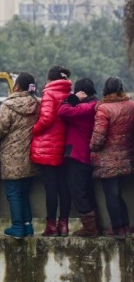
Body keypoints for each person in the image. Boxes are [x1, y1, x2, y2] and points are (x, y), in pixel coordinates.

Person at [0, 73, 40, 239]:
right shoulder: (38, 104)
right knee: (25, 193)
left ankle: (17, 226)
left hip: (12, 156)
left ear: (17, 87)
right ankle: (28, 226)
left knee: (13, 193)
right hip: (32, 154)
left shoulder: (8, 105)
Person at [90, 77, 134, 240]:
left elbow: (98, 138)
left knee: (111, 194)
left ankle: (117, 229)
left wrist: (92, 147)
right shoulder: (131, 105)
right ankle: (125, 227)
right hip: (127, 157)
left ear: (105, 89)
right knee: (119, 193)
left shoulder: (104, 109)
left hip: (107, 159)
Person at [31, 65, 72, 237]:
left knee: (51, 189)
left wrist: (34, 129)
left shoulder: (49, 92)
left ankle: (51, 226)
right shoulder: (70, 93)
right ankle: (64, 225)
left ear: (50, 79)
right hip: (65, 147)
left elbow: (47, 118)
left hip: (48, 148)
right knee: (64, 188)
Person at [57, 78, 100, 237]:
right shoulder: (96, 104)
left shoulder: (87, 107)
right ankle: (96, 225)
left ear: (82, 92)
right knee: (87, 190)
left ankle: (90, 228)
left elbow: (62, 111)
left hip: (79, 154)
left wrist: (73, 98)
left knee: (79, 190)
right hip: (86, 154)